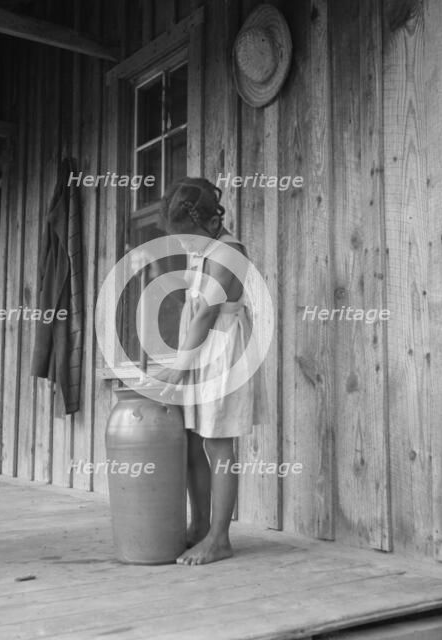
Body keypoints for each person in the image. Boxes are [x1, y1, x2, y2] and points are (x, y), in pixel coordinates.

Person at [152, 177, 255, 566]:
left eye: (186, 237)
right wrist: (181, 357)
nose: (182, 245)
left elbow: (206, 314)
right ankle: (199, 526)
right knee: (194, 440)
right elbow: (192, 314)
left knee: (218, 443)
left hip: (222, 354)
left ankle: (219, 537)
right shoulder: (204, 249)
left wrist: (178, 369)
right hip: (198, 351)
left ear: (211, 223)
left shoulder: (229, 252)